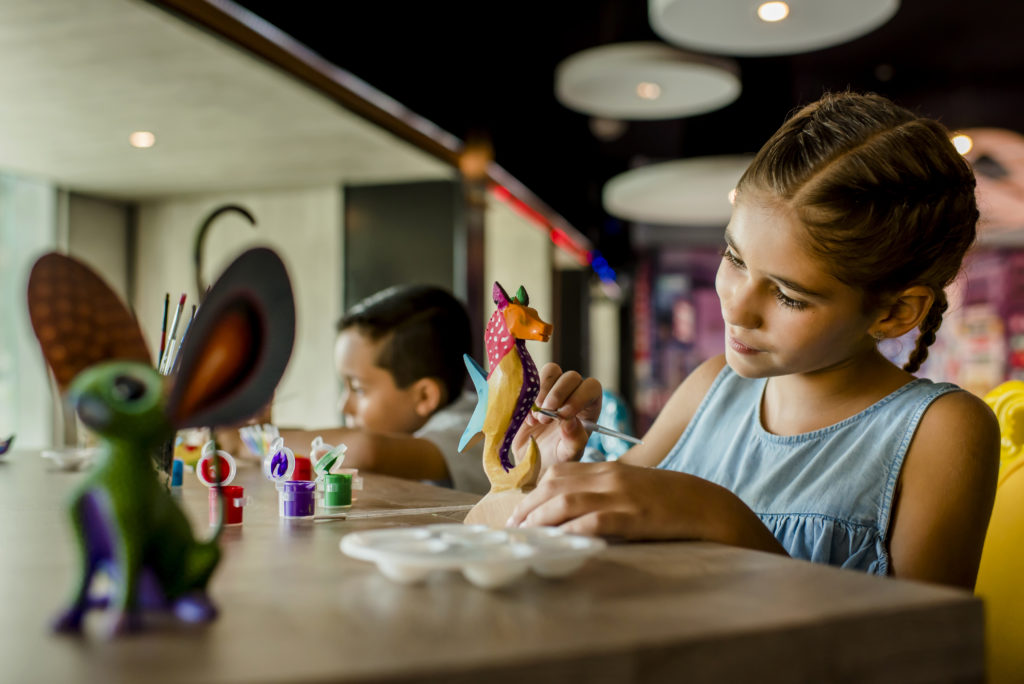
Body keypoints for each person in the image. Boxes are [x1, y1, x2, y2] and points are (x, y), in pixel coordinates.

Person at [508, 91, 1001, 590]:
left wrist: (723, 520)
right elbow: (528, 542)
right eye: (735, 258)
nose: (736, 307)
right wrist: (541, 472)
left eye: (788, 295)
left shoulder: (940, 431)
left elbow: (922, 656)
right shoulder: (710, 387)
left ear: (895, 312)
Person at [283, 284, 488, 494]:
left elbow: (367, 451)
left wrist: (263, 443)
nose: (343, 406)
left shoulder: (475, 431)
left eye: (358, 388)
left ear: (425, 396)